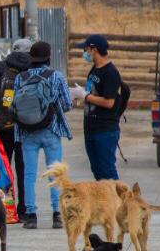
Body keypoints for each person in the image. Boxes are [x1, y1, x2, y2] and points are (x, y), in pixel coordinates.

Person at [15, 41, 72, 230]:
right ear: (49, 57)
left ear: (31, 58)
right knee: (55, 173)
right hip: (51, 130)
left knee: (29, 174)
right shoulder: (56, 76)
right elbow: (67, 104)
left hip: (26, 132)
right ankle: (57, 214)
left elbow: (12, 102)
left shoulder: (20, 77)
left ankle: (31, 215)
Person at [0, 38, 32, 220]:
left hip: (3, 125)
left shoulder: (1, 66)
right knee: (24, 169)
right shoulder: (32, 68)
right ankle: (25, 210)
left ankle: (1, 208)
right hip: (26, 126)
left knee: (2, 167)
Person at [70, 34, 122, 182]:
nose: (85, 52)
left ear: (94, 49)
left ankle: (119, 203)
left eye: (86, 49)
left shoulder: (110, 72)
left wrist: (85, 96)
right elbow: (92, 92)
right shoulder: (94, 69)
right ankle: (106, 203)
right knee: (97, 171)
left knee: (107, 171)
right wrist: (79, 96)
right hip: (91, 128)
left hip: (105, 130)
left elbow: (109, 102)